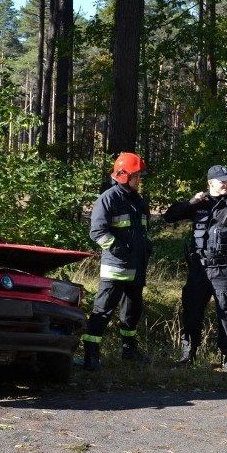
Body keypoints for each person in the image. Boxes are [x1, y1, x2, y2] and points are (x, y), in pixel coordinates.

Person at [164, 165, 227, 370]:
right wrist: (191, 202)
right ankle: (188, 354)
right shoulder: (198, 203)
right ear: (210, 182)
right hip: (198, 269)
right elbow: (169, 216)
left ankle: (226, 357)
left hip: (223, 269)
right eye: (222, 181)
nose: (226, 184)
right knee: (192, 311)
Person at [81, 152, 153, 371]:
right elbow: (97, 232)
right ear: (123, 176)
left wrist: (146, 247)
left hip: (137, 268)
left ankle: (129, 350)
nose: (140, 180)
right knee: (102, 312)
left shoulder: (138, 201)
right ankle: (91, 355)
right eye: (137, 176)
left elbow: (143, 231)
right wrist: (118, 248)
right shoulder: (108, 199)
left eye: (140, 176)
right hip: (116, 269)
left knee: (132, 314)